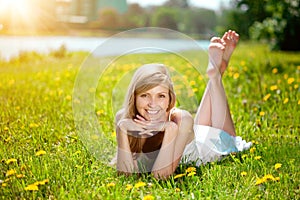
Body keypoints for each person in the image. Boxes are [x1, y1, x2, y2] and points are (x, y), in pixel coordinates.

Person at [113, 30, 252, 179]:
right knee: (198, 127)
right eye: (145, 95)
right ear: (134, 98)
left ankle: (216, 74)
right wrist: (122, 129)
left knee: (230, 138)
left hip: (212, 146)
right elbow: (125, 174)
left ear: (169, 99)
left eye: (161, 96)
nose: (152, 104)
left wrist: (169, 128)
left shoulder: (181, 119)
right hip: (195, 135)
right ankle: (216, 71)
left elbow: (160, 175)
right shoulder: (124, 118)